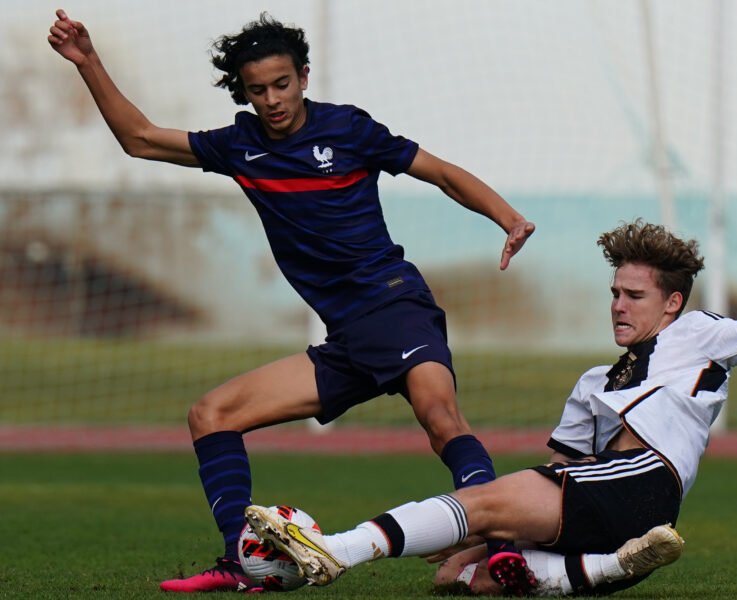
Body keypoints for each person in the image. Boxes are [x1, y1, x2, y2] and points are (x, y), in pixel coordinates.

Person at [47, 9, 536, 593]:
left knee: (441, 418)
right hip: (347, 338)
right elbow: (140, 139)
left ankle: (503, 548)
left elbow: (440, 173)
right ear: (245, 92)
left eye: (282, 84)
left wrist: (507, 217)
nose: (273, 100)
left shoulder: (348, 129)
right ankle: (241, 560)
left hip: (394, 305)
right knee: (211, 415)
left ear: (303, 77)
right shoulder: (240, 146)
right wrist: (88, 62)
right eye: (258, 90)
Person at [244, 173, 737, 596]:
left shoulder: (698, 332)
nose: (618, 305)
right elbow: (558, 467)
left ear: (672, 303)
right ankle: (611, 566)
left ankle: (334, 550)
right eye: (614, 293)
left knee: (481, 503)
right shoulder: (594, 382)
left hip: (642, 483)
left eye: (634, 296)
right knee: (462, 576)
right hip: (609, 509)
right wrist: (484, 536)